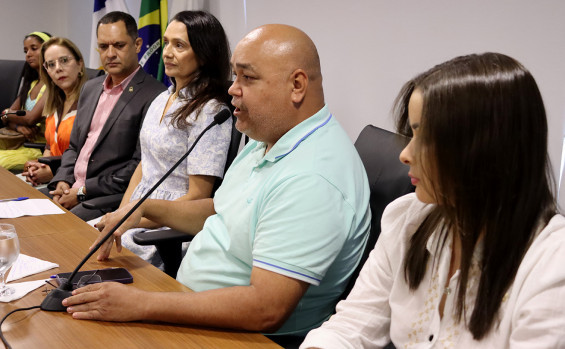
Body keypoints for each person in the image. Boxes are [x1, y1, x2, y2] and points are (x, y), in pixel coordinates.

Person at [63, 24, 371, 338]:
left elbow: (266, 308)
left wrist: (142, 304)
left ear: (296, 85)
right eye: (234, 76)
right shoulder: (268, 137)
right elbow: (222, 211)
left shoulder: (312, 176)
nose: (233, 89)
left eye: (247, 78)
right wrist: (144, 209)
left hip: (243, 336)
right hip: (192, 307)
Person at [300, 53, 565, 348]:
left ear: (483, 151)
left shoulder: (552, 264)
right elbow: (352, 325)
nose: (405, 155)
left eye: (424, 139)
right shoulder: (408, 218)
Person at [112, 11, 232, 266]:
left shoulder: (210, 110)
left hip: (168, 229)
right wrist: (119, 215)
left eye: (179, 45)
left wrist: (130, 219)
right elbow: (144, 166)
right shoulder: (161, 98)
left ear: (204, 53)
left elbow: (198, 196)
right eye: (166, 42)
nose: (167, 52)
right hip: (137, 215)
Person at [44, 11, 166, 221]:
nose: (110, 54)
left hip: (102, 199)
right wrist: (62, 180)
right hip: (70, 190)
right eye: (103, 46)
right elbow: (74, 147)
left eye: (119, 45)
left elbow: (139, 165)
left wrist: (82, 190)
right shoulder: (90, 88)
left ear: (137, 45)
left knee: (52, 232)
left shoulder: (155, 95)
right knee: (20, 216)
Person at [21, 37, 88, 186]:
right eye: (51, 64)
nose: (58, 68)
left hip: (74, 185)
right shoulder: (54, 103)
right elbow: (49, 147)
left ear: (80, 64)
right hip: (52, 181)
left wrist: (52, 172)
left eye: (64, 60)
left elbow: (90, 159)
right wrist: (40, 166)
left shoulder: (92, 104)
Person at [0, 31, 51, 171]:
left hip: (39, 149)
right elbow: (5, 117)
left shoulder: (53, 85)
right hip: (21, 143)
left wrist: (8, 113)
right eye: (26, 50)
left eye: (34, 48)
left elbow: (31, 118)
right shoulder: (32, 83)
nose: (28, 54)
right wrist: (17, 127)